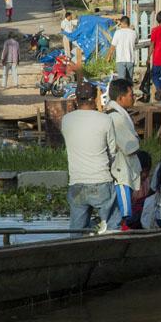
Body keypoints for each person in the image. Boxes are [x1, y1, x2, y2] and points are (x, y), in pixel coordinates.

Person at [61, 82, 120, 230]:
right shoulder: (105, 120)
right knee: (113, 225)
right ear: (95, 98)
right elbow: (113, 152)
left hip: (76, 182)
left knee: (76, 231)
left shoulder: (66, 120)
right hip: (101, 182)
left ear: (76, 99)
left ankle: (76, 250)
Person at [105, 78, 141, 230]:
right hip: (120, 170)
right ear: (120, 98)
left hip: (123, 167)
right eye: (131, 94)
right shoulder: (116, 118)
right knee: (123, 212)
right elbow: (131, 147)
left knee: (122, 209)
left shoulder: (117, 114)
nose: (133, 97)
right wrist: (137, 141)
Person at [106, 16, 138, 83]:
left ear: (122, 23)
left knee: (121, 81)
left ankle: (122, 93)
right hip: (130, 60)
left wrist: (108, 57)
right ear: (128, 23)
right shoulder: (134, 33)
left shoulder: (117, 33)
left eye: (120, 24)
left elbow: (112, 47)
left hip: (120, 60)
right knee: (129, 81)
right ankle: (129, 92)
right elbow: (136, 42)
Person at [128, 150, 153, 229]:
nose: (145, 175)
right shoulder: (129, 184)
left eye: (147, 171)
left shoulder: (147, 181)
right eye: (142, 172)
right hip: (131, 219)